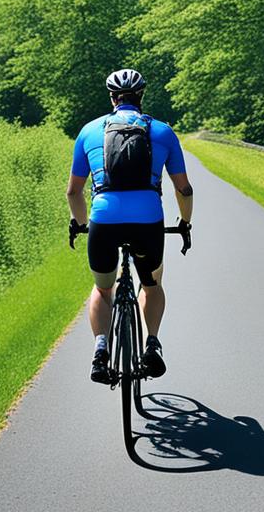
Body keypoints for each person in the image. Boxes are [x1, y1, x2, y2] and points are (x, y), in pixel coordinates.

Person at [67, 68, 193, 384]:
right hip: (148, 222)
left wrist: (81, 224)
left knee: (103, 288)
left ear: (112, 98)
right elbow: (184, 189)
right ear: (142, 96)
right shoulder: (163, 132)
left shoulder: (89, 131)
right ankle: (151, 345)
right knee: (151, 284)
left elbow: (73, 191)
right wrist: (185, 222)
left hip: (104, 222)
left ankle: (100, 349)